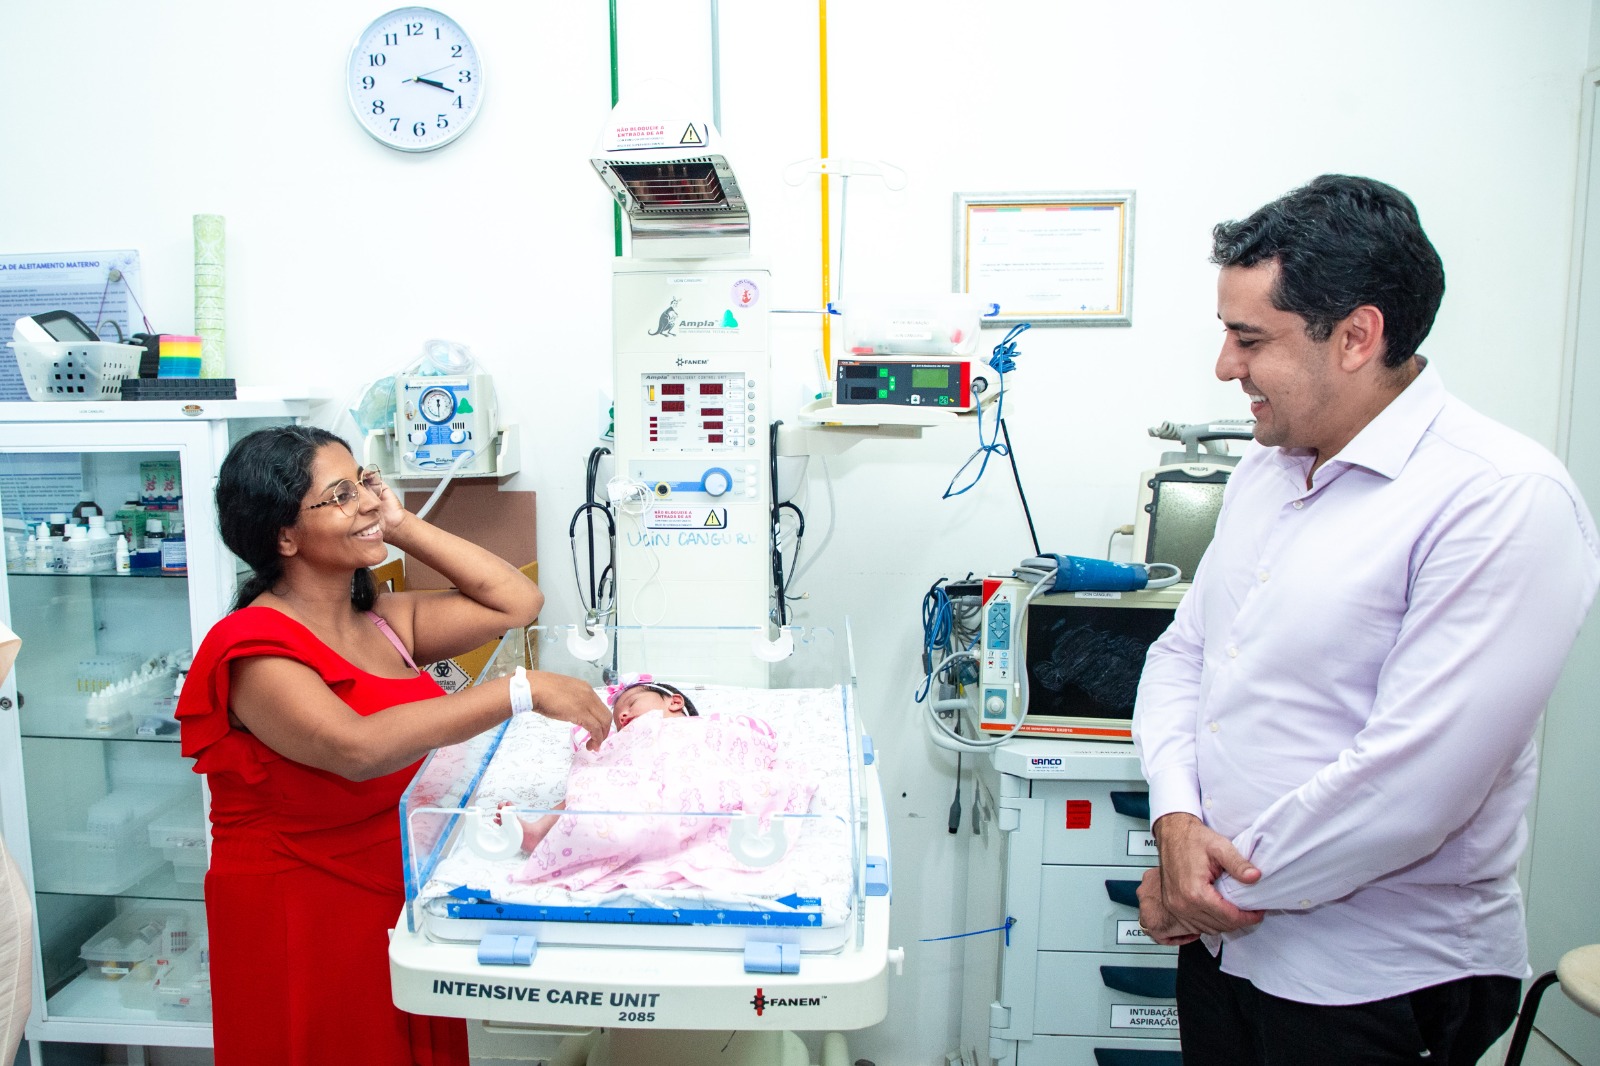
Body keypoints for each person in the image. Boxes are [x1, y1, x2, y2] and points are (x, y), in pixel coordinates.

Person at [1132, 174, 1600, 1065]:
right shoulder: (1269, 471)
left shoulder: (1499, 499)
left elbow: (1410, 786)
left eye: (1249, 339)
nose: (1226, 367)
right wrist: (1177, 821)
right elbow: (1185, 656)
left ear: (1356, 336)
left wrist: (1205, 888)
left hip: (1373, 982)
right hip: (1227, 952)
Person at [176, 425, 610, 1066]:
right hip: (303, 904)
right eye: (340, 495)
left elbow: (518, 602)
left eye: (363, 483)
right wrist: (519, 692)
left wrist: (399, 524)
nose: (365, 502)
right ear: (284, 535)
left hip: (400, 882)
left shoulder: (381, 620)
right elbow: (356, 749)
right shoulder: (251, 648)